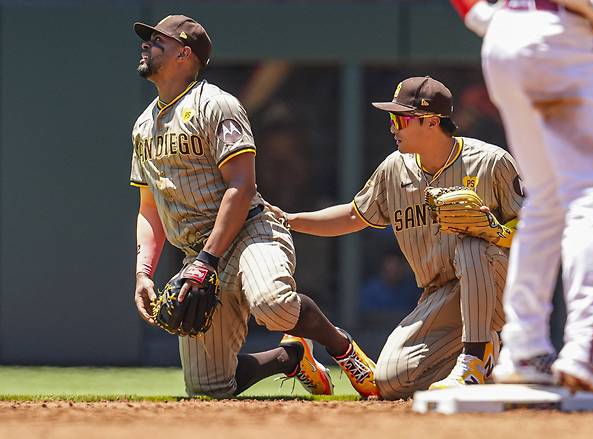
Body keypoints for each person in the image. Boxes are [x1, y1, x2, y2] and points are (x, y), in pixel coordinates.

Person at [129, 14, 377, 398]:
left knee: (273, 304)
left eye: (158, 40)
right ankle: (291, 357)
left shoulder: (217, 105)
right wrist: (144, 272)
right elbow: (149, 208)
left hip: (250, 233)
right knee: (208, 388)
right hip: (200, 253)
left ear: (185, 53)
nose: (147, 45)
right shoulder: (144, 126)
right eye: (148, 40)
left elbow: (242, 187)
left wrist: (206, 262)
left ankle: (343, 349)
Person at [452, 0, 593, 408]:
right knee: (591, 200)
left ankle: (524, 348)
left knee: (545, 201)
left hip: (506, 38)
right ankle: (589, 351)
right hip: (565, 35)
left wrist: (480, 16)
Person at [267, 76, 524, 399]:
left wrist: (496, 232)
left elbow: (533, 230)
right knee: (390, 382)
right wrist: (291, 220)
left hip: (499, 283)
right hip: (441, 295)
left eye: (399, 118)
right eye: (391, 118)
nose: (392, 126)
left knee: (472, 243)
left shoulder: (491, 161)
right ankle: (490, 358)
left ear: (431, 122)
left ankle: (475, 357)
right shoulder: (394, 170)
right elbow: (351, 216)